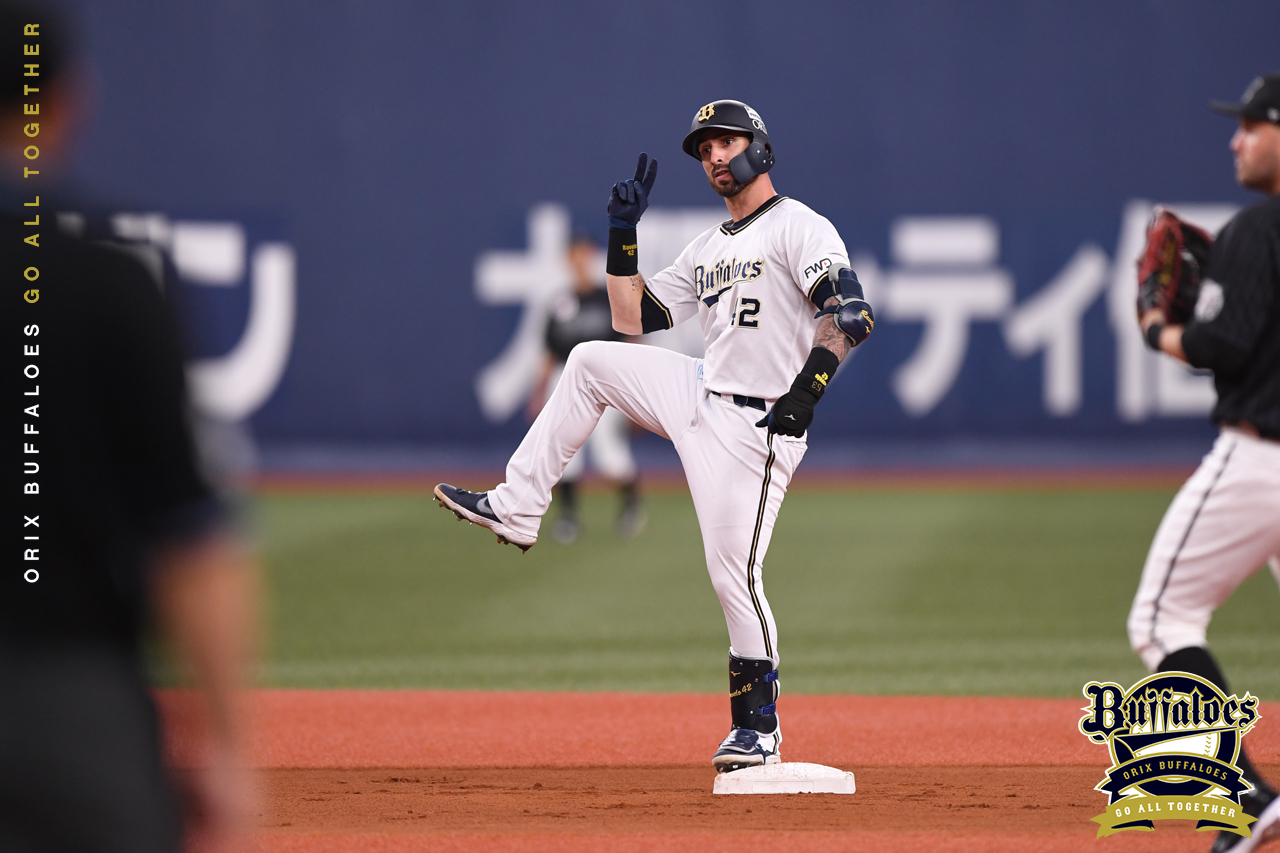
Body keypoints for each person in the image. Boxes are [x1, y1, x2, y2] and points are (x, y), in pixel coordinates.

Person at [436, 100, 874, 772]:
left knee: (733, 575)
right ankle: (519, 505)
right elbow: (629, 316)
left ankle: (757, 730)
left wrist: (807, 390)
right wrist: (623, 233)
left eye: (726, 142)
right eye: (704, 149)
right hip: (700, 390)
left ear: (760, 147)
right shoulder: (708, 247)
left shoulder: (799, 226)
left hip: (758, 423)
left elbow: (849, 313)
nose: (714, 156)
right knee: (590, 361)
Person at [0, 4, 258, 851]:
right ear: (68, 101)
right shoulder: (109, 283)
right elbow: (192, 543)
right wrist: (225, 745)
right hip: (72, 709)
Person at [1130, 73, 1280, 853]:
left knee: (1161, 619)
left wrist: (1157, 326)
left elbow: (1220, 344)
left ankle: (1250, 800)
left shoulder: (1256, 232)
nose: (1236, 139)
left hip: (1261, 461)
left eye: (1253, 126)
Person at [527, 232, 645, 543]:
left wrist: (636, 391)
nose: (580, 260)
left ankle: (631, 507)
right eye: (574, 255)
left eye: (584, 253)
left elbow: (631, 340)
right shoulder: (559, 303)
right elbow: (549, 353)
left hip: (605, 380)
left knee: (610, 455)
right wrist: (539, 392)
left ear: (592, 256)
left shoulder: (606, 298)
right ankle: (568, 517)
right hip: (565, 379)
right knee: (565, 454)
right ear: (567, 260)